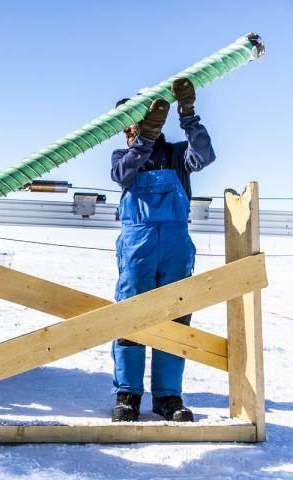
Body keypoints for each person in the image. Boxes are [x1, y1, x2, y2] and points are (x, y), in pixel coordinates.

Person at [110, 77, 216, 422]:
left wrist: (188, 114)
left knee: (175, 318)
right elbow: (123, 175)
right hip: (136, 247)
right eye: (126, 126)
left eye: (135, 122)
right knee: (129, 318)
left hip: (174, 247)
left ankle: (168, 397)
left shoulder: (175, 155)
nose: (129, 131)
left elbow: (204, 155)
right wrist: (145, 138)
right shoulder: (124, 157)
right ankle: (127, 395)